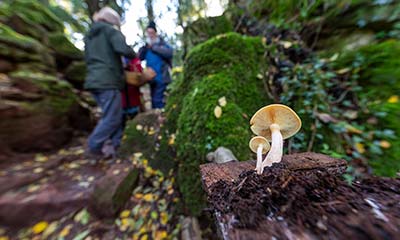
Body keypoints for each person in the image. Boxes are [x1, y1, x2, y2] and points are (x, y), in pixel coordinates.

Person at [84, 7, 136, 159]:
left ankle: (117, 144)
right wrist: (133, 53)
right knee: (113, 117)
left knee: (113, 114)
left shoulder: (90, 36)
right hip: (107, 80)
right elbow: (123, 49)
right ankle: (94, 146)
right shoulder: (110, 31)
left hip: (94, 80)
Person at [139, 21, 173, 109]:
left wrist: (154, 47)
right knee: (154, 100)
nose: (150, 35)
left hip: (161, 77)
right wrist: (144, 49)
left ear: (155, 33)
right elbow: (139, 58)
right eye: (148, 33)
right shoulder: (146, 47)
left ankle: (161, 117)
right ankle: (157, 118)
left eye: (152, 33)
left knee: (158, 100)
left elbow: (169, 53)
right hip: (151, 78)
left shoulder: (161, 44)